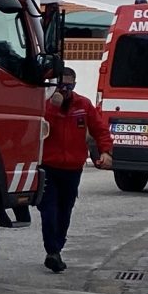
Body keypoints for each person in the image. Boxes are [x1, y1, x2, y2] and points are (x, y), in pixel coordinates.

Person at [35, 63, 112, 275]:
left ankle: (57, 249)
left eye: (69, 86)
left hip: (72, 168)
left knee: (65, 211)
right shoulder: (45, 105)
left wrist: (106, 151)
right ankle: (52, 251)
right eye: (62, 86)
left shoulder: (83, 105)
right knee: (49, 210)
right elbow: (40, 129)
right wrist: (53, 107)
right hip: (49, 166)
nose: (65, 90)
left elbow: (100, 130)